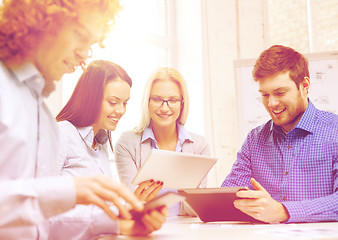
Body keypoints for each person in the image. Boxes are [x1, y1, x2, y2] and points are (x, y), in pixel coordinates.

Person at [0, 1, 165, 238]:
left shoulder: (43, 118)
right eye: (79, 36)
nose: (84, 55)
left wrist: (119, 223)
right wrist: (67, 191)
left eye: (90, 44)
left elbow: (38, 221)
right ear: (41, 23)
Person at [49, 60, 167, 238]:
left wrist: (133, 205)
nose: (120, 110)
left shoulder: (101, 144)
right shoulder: (61, 134)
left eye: (125, 103)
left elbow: (98, 210)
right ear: (90, 98)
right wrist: (119, 225)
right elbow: (42, 208)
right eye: (113, 102)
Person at [221, 45, 338, 223]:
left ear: (304, 86)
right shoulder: (255, 139)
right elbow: (231, 193)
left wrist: (283, 211)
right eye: (265, 95)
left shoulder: (334, 131)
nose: (272, 103)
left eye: (280, 92)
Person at [115, 67, 211, 216]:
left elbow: (197, 211)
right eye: (157, 99)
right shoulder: (127, 143)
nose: (164, 107)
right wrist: (137, 200)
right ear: (147, 102)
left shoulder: (199, 145)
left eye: (172, 100)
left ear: (182, 103)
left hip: (187, 228)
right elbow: (132, 203)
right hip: (146, 226)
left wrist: (195, 197)